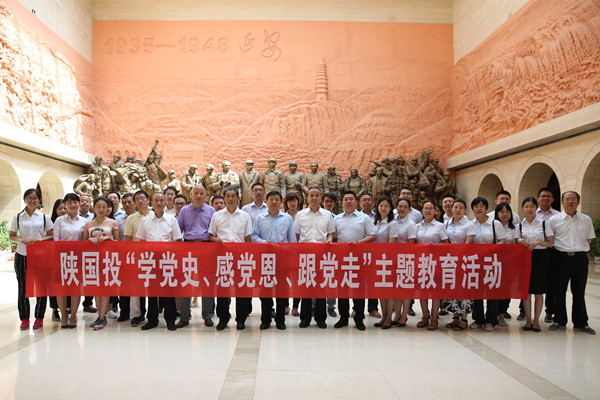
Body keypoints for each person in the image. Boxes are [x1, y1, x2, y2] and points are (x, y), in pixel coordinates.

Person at [548, 191, 596, 334]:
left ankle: (581, 322)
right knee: (559, 291)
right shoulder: (554, 220)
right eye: (567, 199)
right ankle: (559, 320)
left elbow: (589, 239)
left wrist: (576, 249)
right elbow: (550, 240)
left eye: (573, 199)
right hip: (560, 258)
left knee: (579, 291)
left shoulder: (586, 219)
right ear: (562, 202)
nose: (570, 202)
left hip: (580, 259)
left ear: (578, 202)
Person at [208, 187, 253, 331]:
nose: (231, 199)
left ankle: (241, 319)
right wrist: (216, 239)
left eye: (233, 196)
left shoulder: (245, 216)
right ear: (224, 198)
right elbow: (211, 236)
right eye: (228, 196)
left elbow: (248, 238)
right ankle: (223, 319)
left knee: (241, 289)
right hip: (223, 257)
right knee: (222, 290)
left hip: (240, 257)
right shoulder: (217, 216)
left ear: (238, 198)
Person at [136, 192, 182, 331]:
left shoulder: (171, 220)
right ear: (152, 202)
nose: (159, 203)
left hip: (167, 260)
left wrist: (167, 251)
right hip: (151, 261)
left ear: (166, 202)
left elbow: (177, 240)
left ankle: (170, 320)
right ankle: (152, 320)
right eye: (156, 200)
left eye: (162, 200)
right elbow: (141, 240)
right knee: (152, 293)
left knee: (168, 292)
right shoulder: (146, 221)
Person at [9, 189, 54, 330]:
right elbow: (11, 235)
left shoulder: (44, 217)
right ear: (24, 200)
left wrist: (40, 240)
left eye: (35, 198)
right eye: (29, 198)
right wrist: (20, 240)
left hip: (40, 255)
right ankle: (24, 319)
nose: (32, 201)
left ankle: (39, 318)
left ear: (39, 200)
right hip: (22, 254)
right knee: (23, 287)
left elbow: (52, 235)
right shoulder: (18, 217)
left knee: (41, 286)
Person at [251, 190, 296, 330]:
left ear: (281, 202)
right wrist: (263, 242)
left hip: (282, 260)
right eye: (271, 199)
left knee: (282, 291)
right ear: (267, 201)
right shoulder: (259, 218)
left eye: (277, 199)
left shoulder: (287, 219)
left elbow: (292, 241)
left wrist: (287, 254)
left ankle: (280, 320)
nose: (274, 202)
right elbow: (253, 236)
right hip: (265, 260)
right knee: (265, 291)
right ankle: (265, 320)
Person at [333, 191, 375, 331]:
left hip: (359, 259)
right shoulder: (337, 219)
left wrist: (357, 243)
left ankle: (359, 318)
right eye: (346, 199)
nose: (349, 201)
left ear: (357, 202)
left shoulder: (364, 218)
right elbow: (334, 238)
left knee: (358, 290)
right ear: (342, 202)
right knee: (342, 290)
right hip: (341, 259)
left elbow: (372, 236)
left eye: (351, 199)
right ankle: (343, 318)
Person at [295, 187, 335, 329]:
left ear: (320, 198)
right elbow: (296, 234)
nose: (314, 198)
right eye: (311, 195)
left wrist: (329, 240)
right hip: (305, 255)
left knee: (320, 287)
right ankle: (305, 318)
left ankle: (320, 318)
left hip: (321, 255)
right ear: (307, 198)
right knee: (306, 287)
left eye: (316, 195)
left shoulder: (327, 215)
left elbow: (330, 233)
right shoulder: (300, 214)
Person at [177, 184, 216, 328]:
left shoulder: (211, 211)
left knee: (206, 283)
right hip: (188, 248)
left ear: (205, 195)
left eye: (202, 193)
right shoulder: (184, 211)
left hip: (206, 248)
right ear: (191, 195)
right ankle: (184, 316)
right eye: (196, 193)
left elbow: (214, 231)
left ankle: (207, 315)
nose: (199, 196)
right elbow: (178, 230)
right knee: (186, 283)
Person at [466, 197, 506, 332]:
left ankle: (491, 320)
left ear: (486, 208)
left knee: (491, 291)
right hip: (476, 262)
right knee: (477, 291)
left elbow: (502, 241)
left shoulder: (495, 223)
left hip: (491, 261)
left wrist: (490, 249)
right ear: (472, 209)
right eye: (476, 206)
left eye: (482, 206)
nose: (479, 209)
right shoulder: (471, 224)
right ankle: (478, 319)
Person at [516, 197, 554, 332]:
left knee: (538, 291)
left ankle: (536, 321)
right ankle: (528, 320)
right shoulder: (519, 225)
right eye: (526, 206)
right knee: (526, 291)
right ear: (523, 208)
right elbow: (516, 241)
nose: (529, 209)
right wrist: (519, 240)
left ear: (536, 208)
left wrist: (539, 242)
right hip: (525, 258)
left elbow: (551, 243)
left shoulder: (544, 224)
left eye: (532, 206)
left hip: (540, 258)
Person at [82, 196, 119, 330]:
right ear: (94, 208)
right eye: (98, 206)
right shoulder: (88, 224)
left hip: (107, 259)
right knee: (96, 289)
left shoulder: (112, 223)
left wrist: (109, 239)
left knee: (105, 289)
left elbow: (118, 243)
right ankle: (100, 316)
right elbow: (82, 243)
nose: (101, 209)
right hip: (93, 260)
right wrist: (89, 241)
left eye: (104, 206)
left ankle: (103, 318)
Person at [52, 193, 86, 328]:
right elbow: (56, 240)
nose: (72, 205)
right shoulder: (59, 221)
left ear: (79, 204)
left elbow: (84, 241)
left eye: (75, 202)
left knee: (75, 288)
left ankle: (73, 316)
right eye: (69, 202)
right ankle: (63, 316)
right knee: (61, 289)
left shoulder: (84, 221)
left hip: (78, 259)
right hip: (62, 258)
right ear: (65, 204)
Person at [415, 200, 449, 330]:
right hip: (421, 262)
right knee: (422, 291)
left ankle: (434, 318)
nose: (428, 211)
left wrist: (434, 247)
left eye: (431, 209)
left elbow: (446, 244)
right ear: (422, 211)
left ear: (435, 211)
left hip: (436, 263)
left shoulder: (440, 226)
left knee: (435, 292)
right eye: (425, 208)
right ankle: (425, 316)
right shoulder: (417, 226)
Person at [124, 190, 152, 327]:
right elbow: (128, 239)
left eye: (142, 198)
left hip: (153, 257)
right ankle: (135, 315)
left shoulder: (155, 215)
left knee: (153, 288)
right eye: (137, 199)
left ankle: (152, 314)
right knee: (135, 288)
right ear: (135, 203)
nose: (140, 201)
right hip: (136, 257)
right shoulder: (131, 218)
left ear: (148, 200)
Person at [444, 199, 471, 331]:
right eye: (456, 207)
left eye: (461, 207)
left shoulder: (469, 224)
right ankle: (455, 317)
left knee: (464, 289)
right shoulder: (447, 223)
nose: (458, 210)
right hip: (450, 260)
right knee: (452, 288)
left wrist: (458, 254)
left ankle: (464, 319)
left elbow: (468, 243)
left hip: (464, 260)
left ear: (465, 210)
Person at [372, 197, 398, 329]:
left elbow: (392, 243)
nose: (383, 208)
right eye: (381, 205)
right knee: (381, 290)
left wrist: (382, 255)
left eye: (386, 206)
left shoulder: (392, 223)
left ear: (390, 208)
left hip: (388, 260)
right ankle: (383, 316)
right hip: (376, 260)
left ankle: (389, 318)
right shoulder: (374, 222)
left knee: (389, 291)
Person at [535, 187, 560, 323]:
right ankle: (523, 310)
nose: (545, 198)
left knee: (551, 281)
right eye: (543, 196)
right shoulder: (532, 213)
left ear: (553, 199)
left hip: (552, 251)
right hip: (534, 252)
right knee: (530, 280)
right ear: (539, 198)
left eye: (548, 196)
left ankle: (550, 311)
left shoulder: (558, 215)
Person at [392, 198, 417, 326]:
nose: (402, 209)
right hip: (393, 259)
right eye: (400, 206)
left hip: (406, 259)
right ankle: (397, 314)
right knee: (396, 289)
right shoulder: (393, 221)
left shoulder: (411, 224)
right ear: (396, 207)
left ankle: (404, 315)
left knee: (405, 290)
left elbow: (411, 244)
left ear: (409, 209)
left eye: (405, 207)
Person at [494, 203, 517, 327]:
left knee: (506, 290)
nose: (504, 214)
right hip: (494, 262)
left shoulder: (515, 228)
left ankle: (502, 314)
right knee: (494, 287)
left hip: (509, 263)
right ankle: (492, 314)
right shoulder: (492, 226)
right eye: (501, 212)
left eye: (507, 212)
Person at [114, 192, 136, 322]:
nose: (127, 205)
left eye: (129, 202)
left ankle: (138, 313)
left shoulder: (141, 217)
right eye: (124, 203)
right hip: (123, 256)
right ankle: (124, 312)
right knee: (123, 285)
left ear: (134, 203)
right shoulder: (118, 220)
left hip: (138, 256)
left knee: (137, 286)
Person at [359, 192, 380, 318]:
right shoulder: (356, 216)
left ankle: (373, 308)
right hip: (358, 255)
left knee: (373, 282)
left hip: (374, 254)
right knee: (359, 282)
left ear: (373, 203)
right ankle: (356, 309)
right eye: (364, 200)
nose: (366, 202)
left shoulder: (379, 216)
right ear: (360, 203)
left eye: (369, 200)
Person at [283, 192, 303, 317]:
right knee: (285, 280)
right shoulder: (282, 216)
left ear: (298, 202)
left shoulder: (302, 215)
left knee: (297, 280)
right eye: (290, 201)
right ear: (286, 203)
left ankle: (296, 306)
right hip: (285, 253)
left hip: (300, 253)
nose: (292, 203)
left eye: (294, 201)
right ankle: (285, 305)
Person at [78, 193, 97, 314]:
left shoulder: (93, 218)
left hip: (91, 253)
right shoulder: (74, 216)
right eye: (82, 201)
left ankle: (88, 303)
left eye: (87, 201)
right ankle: (69, 305)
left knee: (90, 279)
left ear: (90, 204)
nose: (84, 203)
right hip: (76, 253)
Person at [49, 199, 67, 322]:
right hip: (54, 257)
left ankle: (67, 309)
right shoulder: (51, 222)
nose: (62, 211)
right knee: (55, 284)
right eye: (60, 208)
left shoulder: (68, 221)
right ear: (55, 210)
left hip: (69, 257)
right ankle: (55, 309)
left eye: (64, 208)